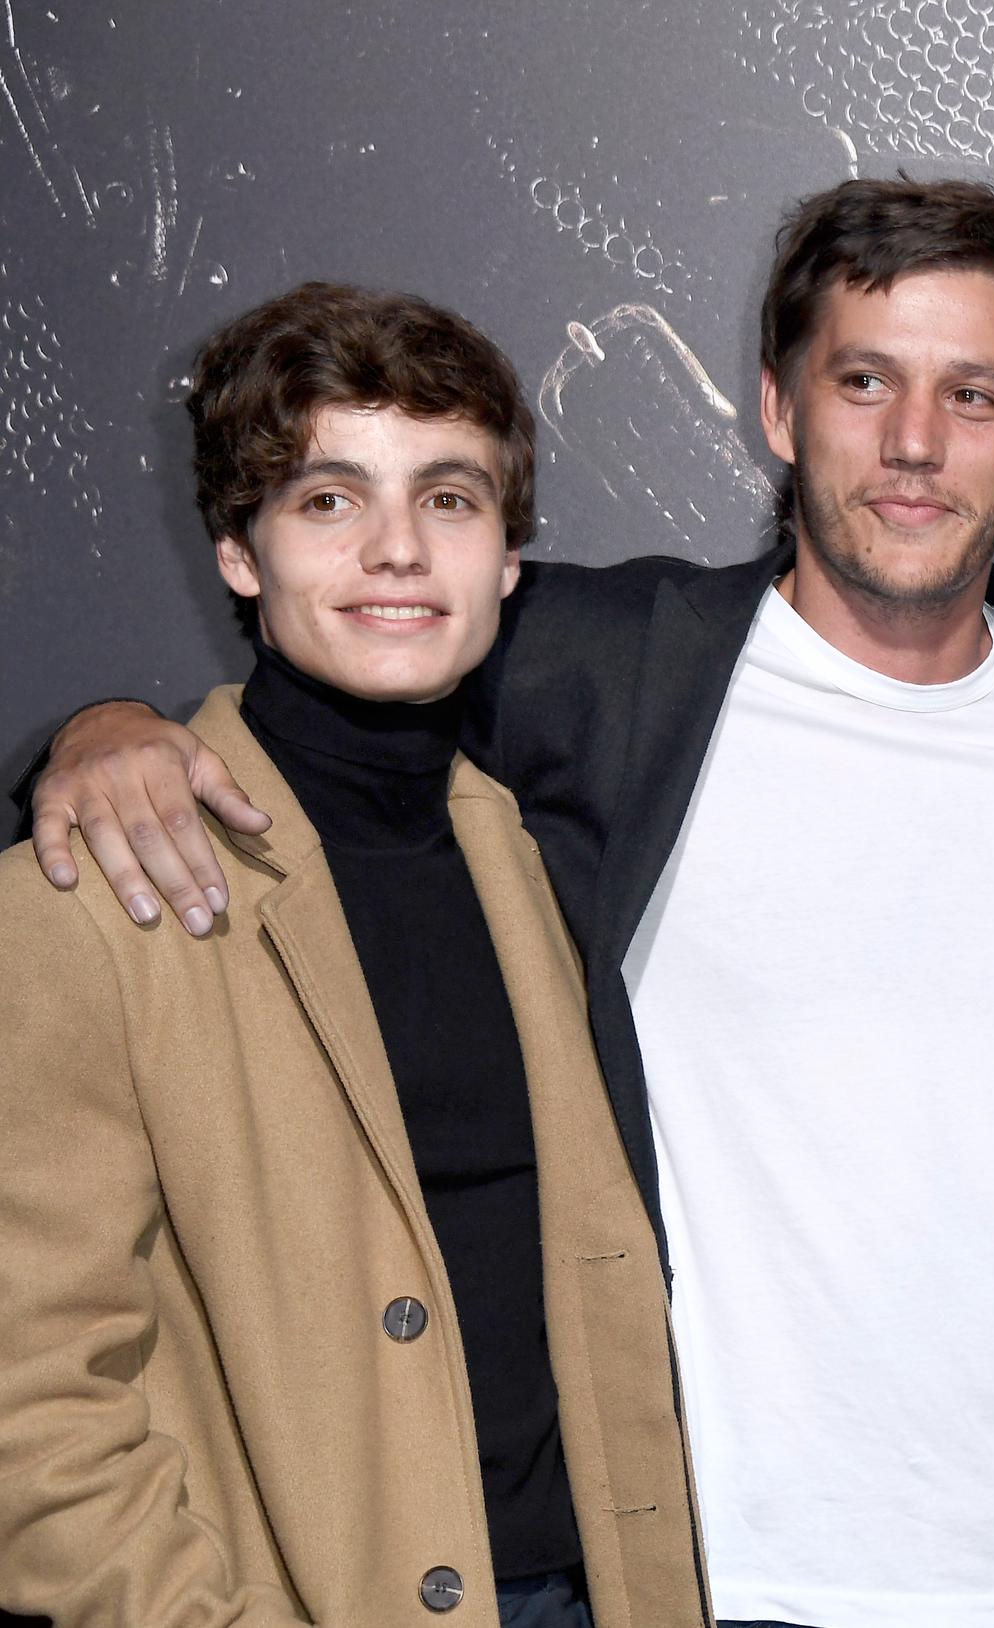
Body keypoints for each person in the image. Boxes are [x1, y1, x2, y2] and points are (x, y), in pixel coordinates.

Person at [20, 180, 994, 1628]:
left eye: (973, 394)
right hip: (718, 1574)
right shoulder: (601, 667)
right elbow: (346, 668)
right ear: (778, 410)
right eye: (864, 380)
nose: (912, 441)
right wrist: (99, 730)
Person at [0, 283, 706, 1627]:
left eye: (448, 499)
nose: (397, 550)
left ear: (508, 558)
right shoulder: (88, 895)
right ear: (238, 552)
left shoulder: (559, 859)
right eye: (330, 500)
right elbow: (28, 1395)